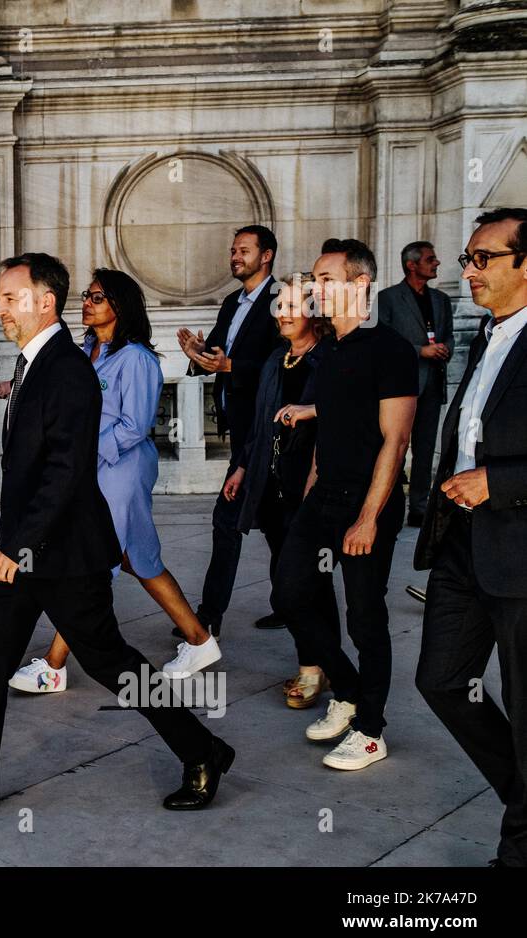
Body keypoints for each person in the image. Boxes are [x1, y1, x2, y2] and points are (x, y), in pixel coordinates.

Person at [0, 253, 234, 813]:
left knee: (111, 662)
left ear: (43, 301)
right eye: (1, 297)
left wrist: (17, 547)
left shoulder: (67, 371)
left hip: (66, 554)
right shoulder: (41, 362)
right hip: (31, 555)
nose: (0, 308)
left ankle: (202, 751)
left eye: (10, 297)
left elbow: (65, 471)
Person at [6, 268, 219, 694]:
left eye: (97, 297)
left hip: (120, 469)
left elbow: (134, 427)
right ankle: (199, 639)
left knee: (92, 561)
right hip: (93, 468)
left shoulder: (137, 359)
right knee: (137, 556)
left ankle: (54, 664)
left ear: (119, 306)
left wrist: (81, 449)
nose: (86, 302)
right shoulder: (85, 350)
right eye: (87, 294)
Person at [270, 238, 418, 771]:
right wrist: (311, 492)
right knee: (288, 594)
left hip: (366, 500)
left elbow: (394, 442)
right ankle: (349, 691)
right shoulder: (330, 350)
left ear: (360, 284)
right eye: (313, 280)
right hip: (323, 496)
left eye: (326, 279)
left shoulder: (391, 350)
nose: (315, 290)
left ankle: (372, 731)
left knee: (364, 618)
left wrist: (369, 517)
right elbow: (330, 427)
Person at [415, 207, 527, 867]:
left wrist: (501, 482)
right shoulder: (489, 335)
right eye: (466, 258)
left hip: (518, 549)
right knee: (442, 682)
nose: (467, 270)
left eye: (483, 258)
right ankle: (523, 797)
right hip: (462, 542)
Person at [224, 274, 337, 708]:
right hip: (271, 487)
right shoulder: (277, 360)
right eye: (280, 306)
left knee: (308, 583)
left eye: (293, 305)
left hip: (310, 487)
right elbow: (259, 423)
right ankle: (318, 662)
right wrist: (239, 469)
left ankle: (317, 667)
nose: (283, 314)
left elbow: (350, 417)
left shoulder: (327, 358)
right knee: (285, 575)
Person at [176, 226, 286, 638]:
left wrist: (231, 367)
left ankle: (207, 618)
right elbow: (218, 353)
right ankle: (289, 602)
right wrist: (197, 355)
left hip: (267, 433)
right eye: (233, 250)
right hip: (240, 430)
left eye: (244, 250)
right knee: (274, 526)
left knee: (228, 522)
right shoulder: (230, 302)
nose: (235, 256)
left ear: (267, 255)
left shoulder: (282, 302)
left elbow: (285, 366)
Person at [377, 241, 454, 527]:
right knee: (393, 443)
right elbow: (381, 341)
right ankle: (387, 500)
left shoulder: (442, 300)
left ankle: (419, 507)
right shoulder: (387, 298)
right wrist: (419, 350)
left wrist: (444, 348)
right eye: (430, 259)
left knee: (425, 450)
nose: (436, 263)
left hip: (432, 384)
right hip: (398, 387)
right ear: (412, 265)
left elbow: (449, 336)